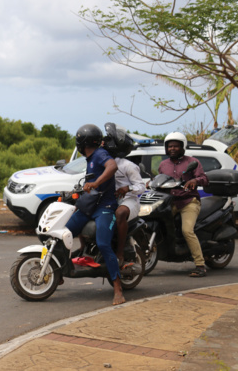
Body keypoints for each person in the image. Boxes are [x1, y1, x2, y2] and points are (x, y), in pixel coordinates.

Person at [65, 124, 124, 305]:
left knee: (103, 243)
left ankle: (117, 288)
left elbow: (112, 166)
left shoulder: (99, 154)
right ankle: (60, 272)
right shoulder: (90, 158)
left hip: (105, 207)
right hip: (90, 205)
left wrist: (96, 183)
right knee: (65, 234)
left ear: (82, 142)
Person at [156, 132, 208, 277]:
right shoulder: (163, 164)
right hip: (170, 201)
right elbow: (160, 179)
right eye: (170, 146)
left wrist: (195, 181)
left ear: (182, 147)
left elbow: (204, 178)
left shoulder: (192, 162)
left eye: (176, 146)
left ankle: (200, 265)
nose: (172, 148)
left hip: (188, 201)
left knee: (187, 231)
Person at [102, 124, 146, 269]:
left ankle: (120, 253)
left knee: (120, 213)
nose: (105, 142)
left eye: (108, 140)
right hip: (110, 200)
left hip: (129, 201)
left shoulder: (128, 165)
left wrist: (127, 188)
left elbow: (141, 187)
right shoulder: (101, 162)